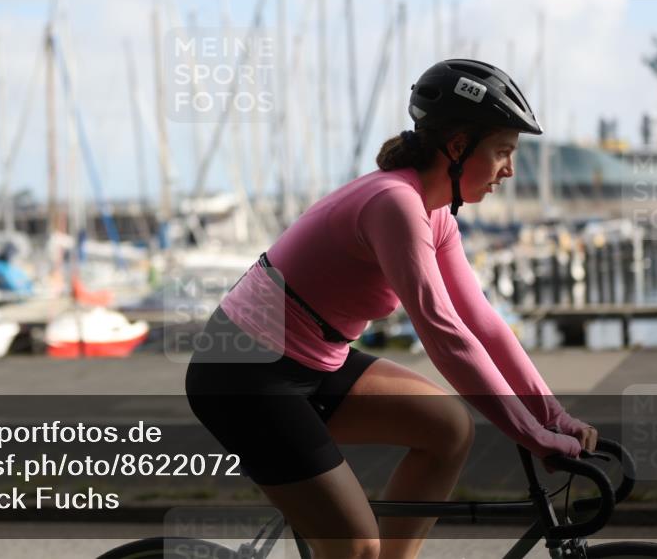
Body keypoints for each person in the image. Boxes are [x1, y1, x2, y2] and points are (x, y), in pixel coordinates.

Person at [184, 59, 598, 559]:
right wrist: (530, 432)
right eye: (503, 152)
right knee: (356, 546)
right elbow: (443, 333)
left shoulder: (434, 211)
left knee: (448, 428)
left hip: (313, 362)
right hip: (243, 376)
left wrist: (553, 415)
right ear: (459, 146)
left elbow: (482, 324)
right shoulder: (394, 204)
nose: (509, 170)